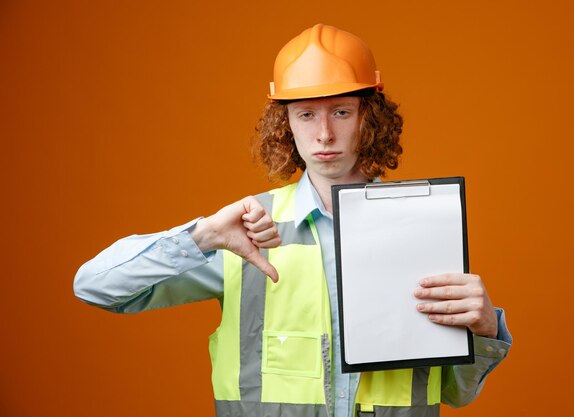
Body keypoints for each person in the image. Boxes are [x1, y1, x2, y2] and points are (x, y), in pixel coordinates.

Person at [74, 24, 511, 417]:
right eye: (306, 114)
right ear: (285, 124)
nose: (324, 134)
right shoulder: (241, 233)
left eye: (341, 111)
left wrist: (485, 329)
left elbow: (455, 393)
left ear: (369, 119)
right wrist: (203, 235)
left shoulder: (422, 225)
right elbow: (95, 286)